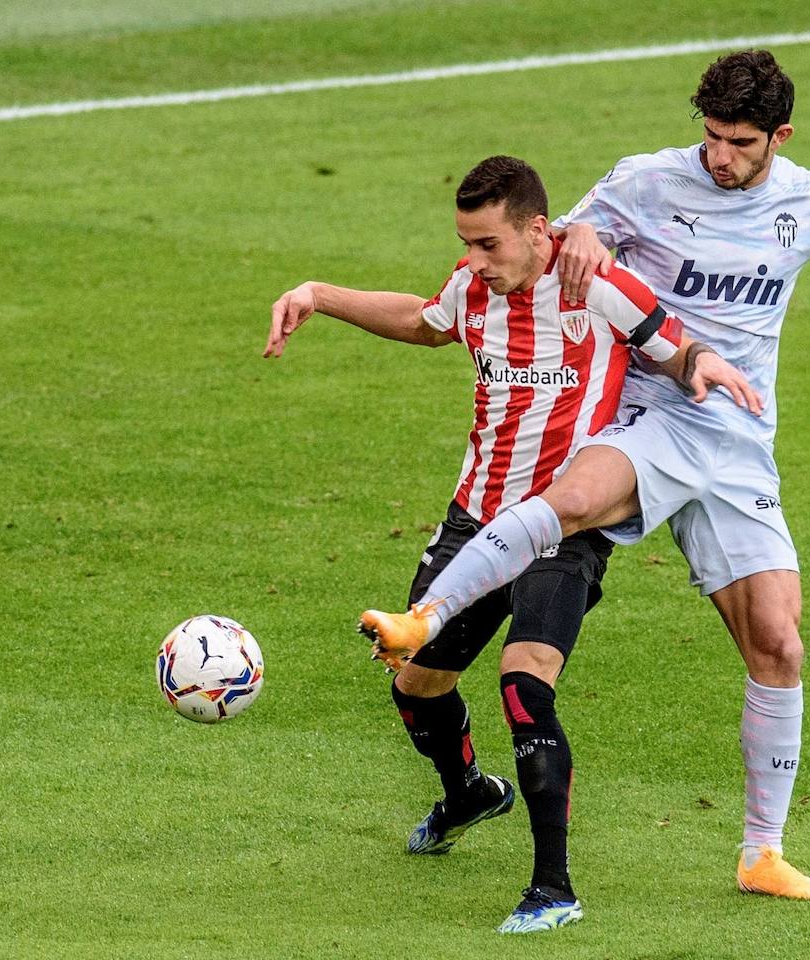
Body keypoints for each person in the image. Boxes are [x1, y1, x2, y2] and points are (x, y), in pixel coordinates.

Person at [360, 51, 810, 902]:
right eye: (711, 137)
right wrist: (589, 236)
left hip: (739, 442)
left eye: (740, 143)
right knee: (564, 503)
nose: (719, 156)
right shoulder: (646, 181)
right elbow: (552, 239)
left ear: (778, 138)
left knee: (779, 643)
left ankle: (762, 854)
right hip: (653, 412)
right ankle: (424, 618)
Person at [264, 155, 758, 933]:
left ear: (535, 230)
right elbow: (423, 321)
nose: (473, 261)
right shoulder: (472, 289)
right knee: (415, 686)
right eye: (466, 243)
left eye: (488, 244)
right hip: (475, 517)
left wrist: (706, 367)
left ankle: (553, 889)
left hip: (566, 524)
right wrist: (318, 296)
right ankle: (468, 794)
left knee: (525, 687)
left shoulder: (593, 285)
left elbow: (672, 344)